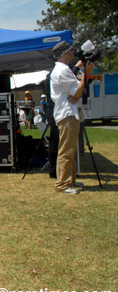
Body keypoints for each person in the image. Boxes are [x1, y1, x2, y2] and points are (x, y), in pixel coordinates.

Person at [50, 40, 93, 194]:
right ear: (65, 53)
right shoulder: (62, 71)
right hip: (67, 113)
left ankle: (70, 180)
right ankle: (62, 184)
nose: (73, 53)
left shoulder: (63, 69)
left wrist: (76, 93)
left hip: (68, 112)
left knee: (70, 149)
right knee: (66, 151)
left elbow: (75, 93)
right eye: (70, 51)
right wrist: (86, 75)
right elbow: (76, 92)